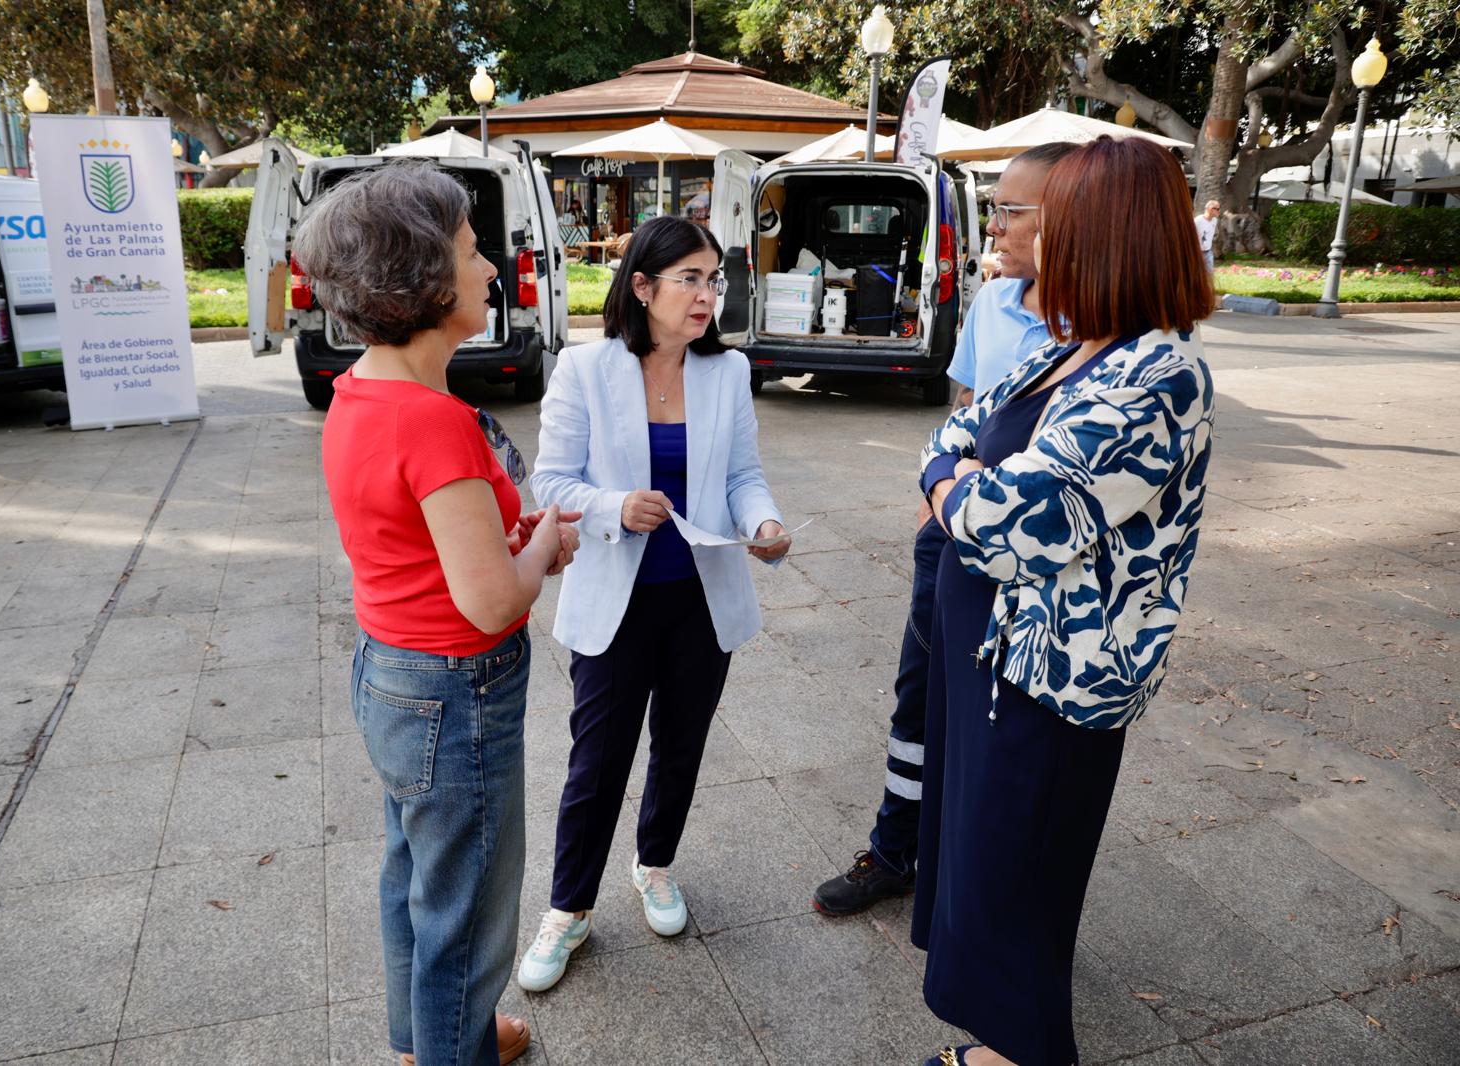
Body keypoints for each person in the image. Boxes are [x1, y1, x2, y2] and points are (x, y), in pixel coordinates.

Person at [914, 135, 1216, 1066]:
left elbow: (1009, 522)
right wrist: (953, 474)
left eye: (1053, 221)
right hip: (989, 647)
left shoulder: (1157, 377)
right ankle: (1001, 1038)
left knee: (1018, 873)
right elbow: (954, 432)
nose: (1029, 236)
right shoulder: (1073, 348)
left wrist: (951, 485)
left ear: (1105, 236)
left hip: (1054, 674)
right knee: (984, 861)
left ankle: (1025, 1052)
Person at [303, 163, 580, 1066]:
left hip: (392, 675)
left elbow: (420, 538)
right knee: (467, 909)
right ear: (422, 281)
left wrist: (510, 536)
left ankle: (426, 1040)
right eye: (469, 252)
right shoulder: (434, 421)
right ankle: (454, 1046)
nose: (491, 267)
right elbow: (494, 599)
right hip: (458, 694)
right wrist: (544, 544)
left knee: (414, 875)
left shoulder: (362, 392)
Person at [518, 215, 791, 993]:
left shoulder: (726, 371)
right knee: (597, 760)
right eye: (690, 279)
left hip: (702, 598)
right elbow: (551, 481)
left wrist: (764, 525)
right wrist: (613, 505)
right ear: (642, 286)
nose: (707, 295)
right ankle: (568, 908)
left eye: (714, 280)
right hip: (617, 600)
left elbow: (742, 476)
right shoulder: (585, 368)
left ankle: (655, 864)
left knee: (681, 746)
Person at [811, 141, 1079, 917]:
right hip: (954, 535)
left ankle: (971, 872)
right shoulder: (993, 303)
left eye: (1010, 211)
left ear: (1065, 218)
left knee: (1000, 721)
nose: (993, 228)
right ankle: (894, 851)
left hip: (1037, 561)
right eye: (994, 210)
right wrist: (939, 497)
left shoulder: (1103, 334)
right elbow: (966, 409)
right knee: (919, 699)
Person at [1194, 198, 1220, 271]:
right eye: (1217, 209)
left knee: (1209, 274)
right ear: (1210, 209)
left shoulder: (1214, 220)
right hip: (1197, 252)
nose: (1219, 211)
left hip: (1208, 252)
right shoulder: (1197, 221)